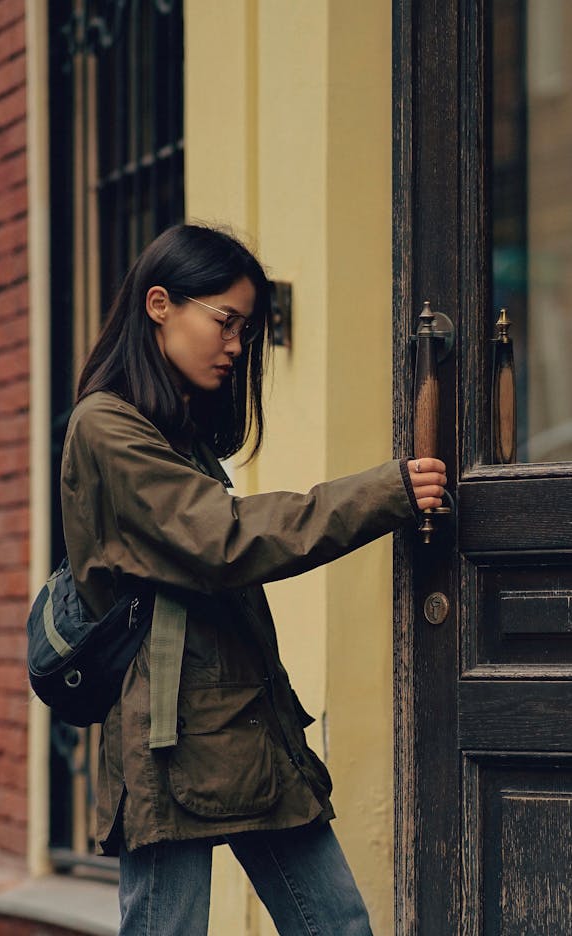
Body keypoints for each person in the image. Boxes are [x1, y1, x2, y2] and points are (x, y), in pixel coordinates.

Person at [60, 223, 446, 936]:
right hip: (170, 740)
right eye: (225, 322)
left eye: (247, 328)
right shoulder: (106, 428)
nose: (237, 346)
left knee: (338, 927)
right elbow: (226, 537)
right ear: (159, 305)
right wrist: (385, 492)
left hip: (244, 724)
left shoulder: (174, 433)